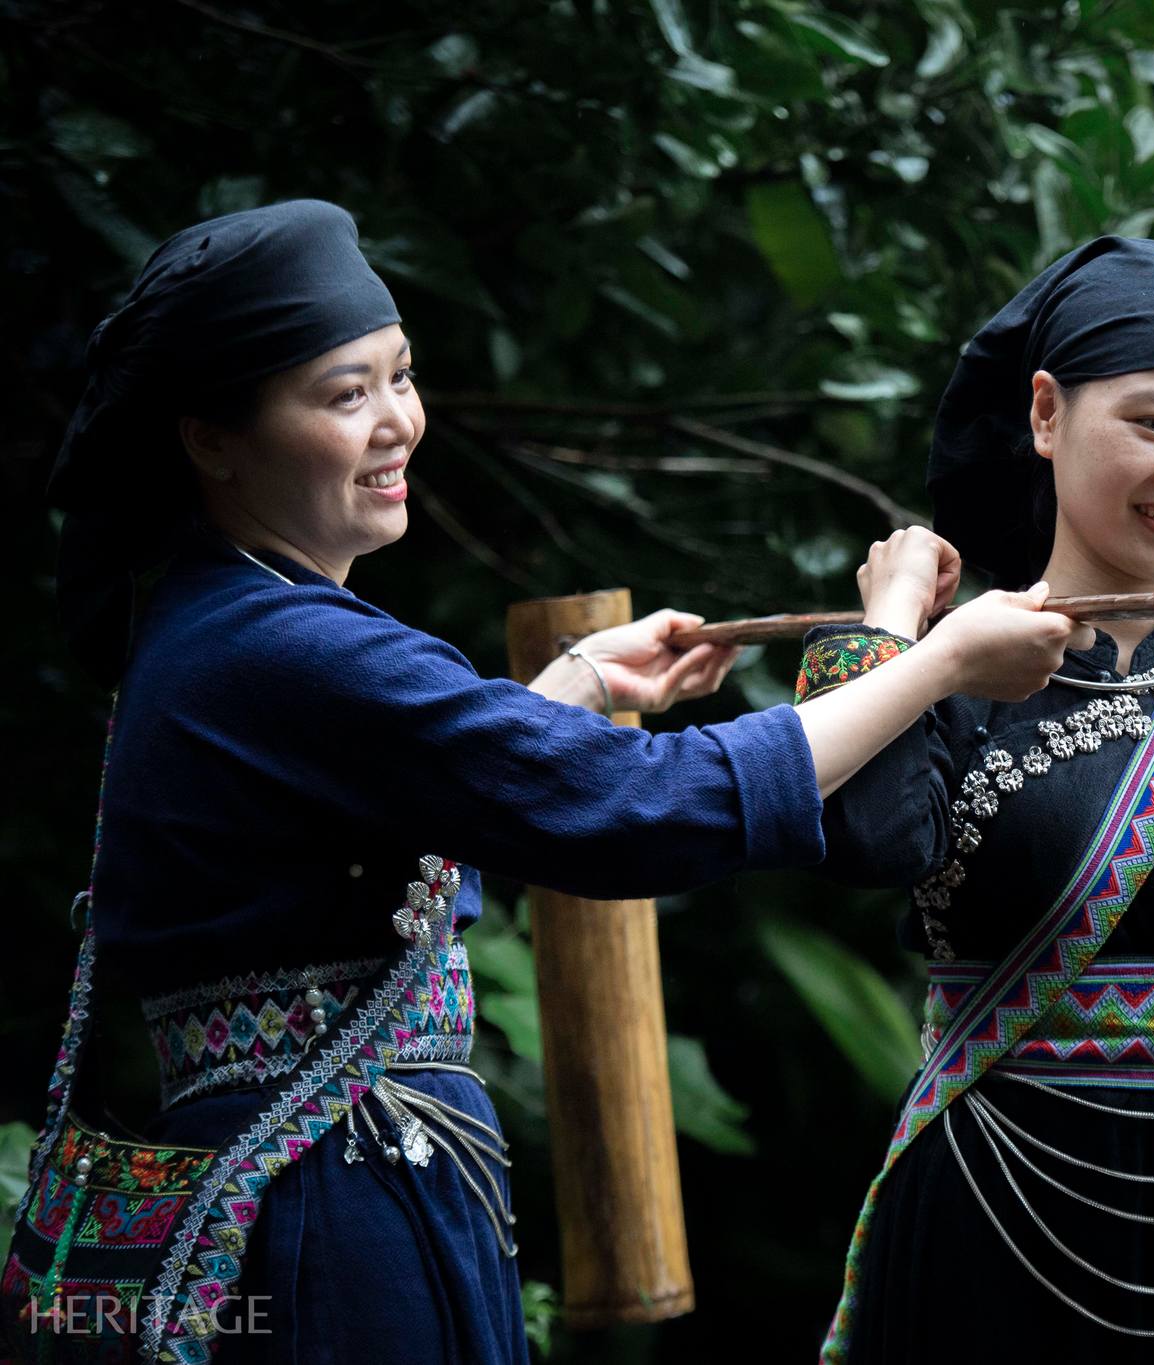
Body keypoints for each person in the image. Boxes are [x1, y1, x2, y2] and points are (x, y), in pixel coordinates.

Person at [1, 200, 1073, 1365]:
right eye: (342, 394)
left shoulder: (224, 622)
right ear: (210, 438)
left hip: (315, 1179)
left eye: (400, 376)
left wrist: (567, 688)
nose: (396, 423)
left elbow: (404, 785)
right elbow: (648, 806)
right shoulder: (285, 647)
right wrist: (928, 659)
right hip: (329, 1211)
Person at [794, 236, 1154, 1363]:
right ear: (1044, 413)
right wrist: (893, 633)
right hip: (993, 1220)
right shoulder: (950, 666)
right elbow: (858, 839)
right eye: (1153, 423)